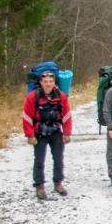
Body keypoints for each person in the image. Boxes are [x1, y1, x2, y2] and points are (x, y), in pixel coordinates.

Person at [22, 71, 72, 199]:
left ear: (54, 83)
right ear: (41, 82)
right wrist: (30, 135)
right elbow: (27, 116)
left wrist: (67, 133)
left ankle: (58, 183)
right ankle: (39, 186)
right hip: (39, 131)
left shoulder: (61, 96)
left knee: (58, 159)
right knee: (39, 160)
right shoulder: (33, 96)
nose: (48, 84)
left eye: (50, 81)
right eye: (45, 82)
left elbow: (66, 116)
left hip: (55, 131)